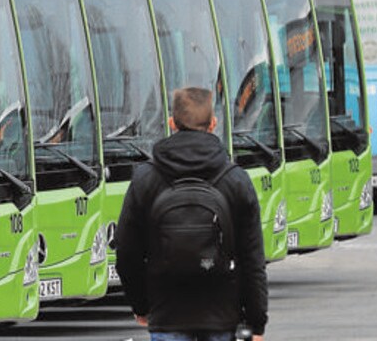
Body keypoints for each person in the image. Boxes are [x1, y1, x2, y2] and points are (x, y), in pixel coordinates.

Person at [114, 87, 267, 341]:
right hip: (222, 316)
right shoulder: (235, 180)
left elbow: (126, 251)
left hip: (166, 315)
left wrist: (140, 305)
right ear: (214, 124)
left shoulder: (146, 179)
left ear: (172, 123)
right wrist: (256, 322)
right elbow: (252, 260)